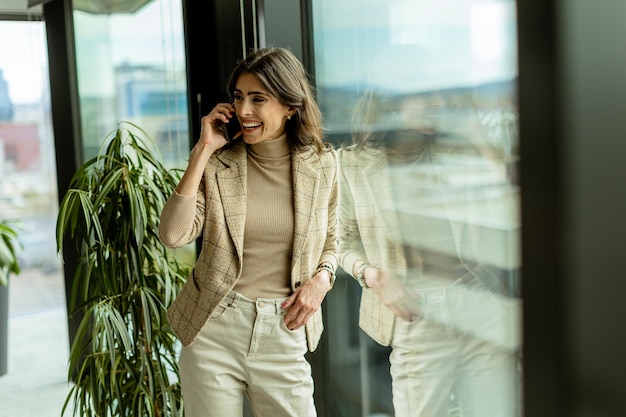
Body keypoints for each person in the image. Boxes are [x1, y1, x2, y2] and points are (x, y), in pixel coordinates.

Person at [159, 47, 338, 417]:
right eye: (239, 97)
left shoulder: (322, 165)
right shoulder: (219, 163)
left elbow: (333, 238)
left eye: (258, 99)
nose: (243, 111)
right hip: (215, 328)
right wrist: (202, 151)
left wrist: (323, 279)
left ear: (291, 106)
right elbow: (173, 236)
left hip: (285, 329)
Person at [338, 71, 522, 416]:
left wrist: (479, 141)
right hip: (418, 313)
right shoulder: (352, 164)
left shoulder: (456, 148)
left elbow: (511, 210)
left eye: (442, 95)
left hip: (482, 305)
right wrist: (375, 277)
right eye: (426, 95)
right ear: (391, 100)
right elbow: (339, 241)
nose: (438, 104)